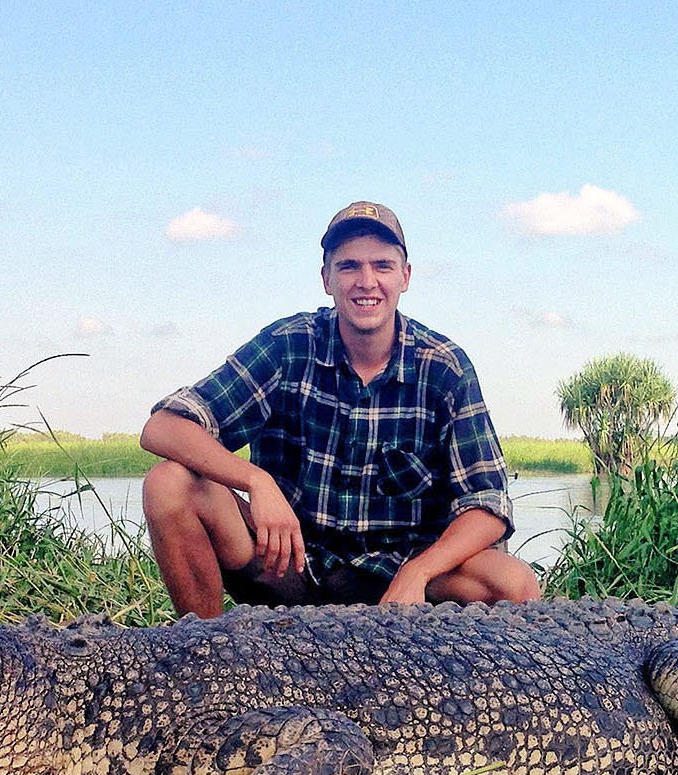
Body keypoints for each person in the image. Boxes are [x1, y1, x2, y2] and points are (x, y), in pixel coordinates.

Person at [141, 201, 541, 619]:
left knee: (513, 583)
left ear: (405, 277)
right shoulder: (287, 345)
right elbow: (163, 427)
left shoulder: (444, 367)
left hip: (398, 578)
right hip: (289, 562)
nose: (366, 282)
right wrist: (256, 482)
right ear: (326, 278)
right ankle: (202, 652)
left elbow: (488, 505)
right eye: (349, 266)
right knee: (169, 483)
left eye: (382, 266)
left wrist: (418, 572)